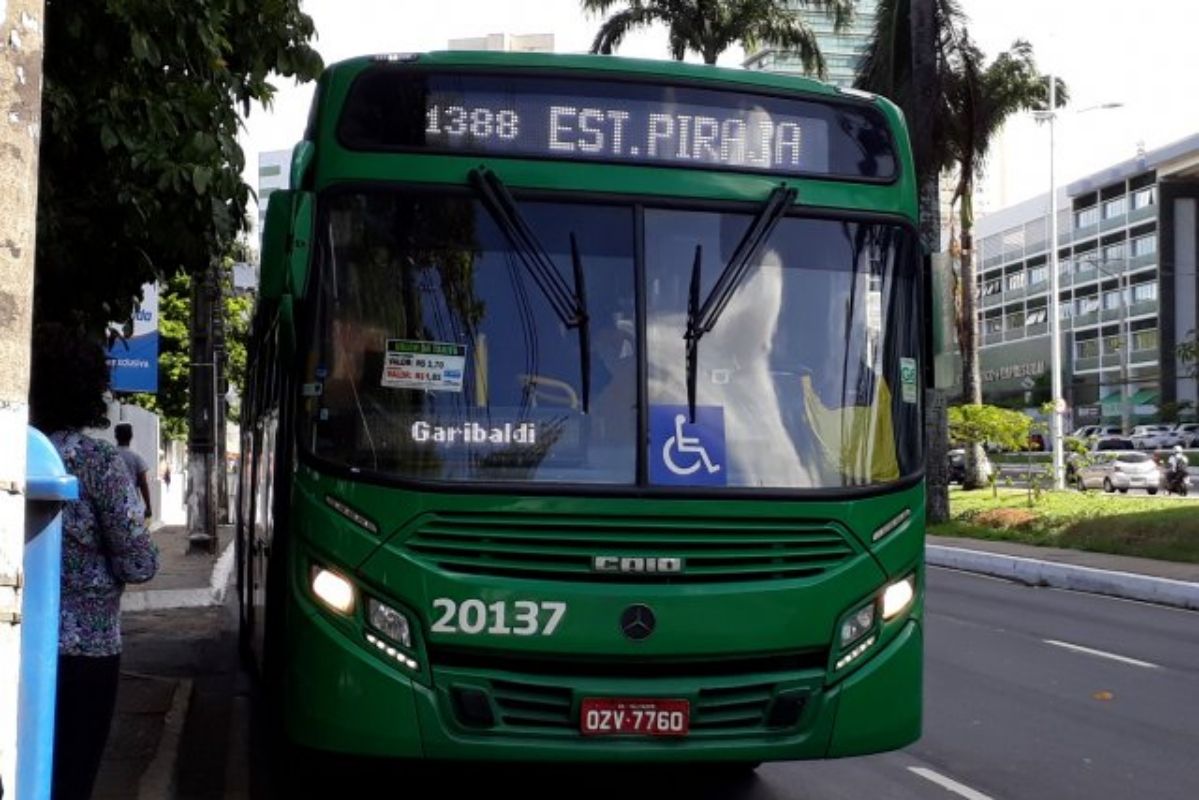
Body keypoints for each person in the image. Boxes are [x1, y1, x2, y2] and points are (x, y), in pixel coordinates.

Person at [29, 323, 159, 800]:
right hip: (86, 654)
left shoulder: (11, 455)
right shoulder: (97, 462)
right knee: (71, 779)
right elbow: (139, 563)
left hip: (14, 643)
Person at [114, 422, 152, 520]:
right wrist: (148, 506)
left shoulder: (109, 455)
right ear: (131, 436)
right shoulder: (136, 458)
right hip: (132, 505)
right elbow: (143, 484)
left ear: (115, 436)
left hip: (112, 503)